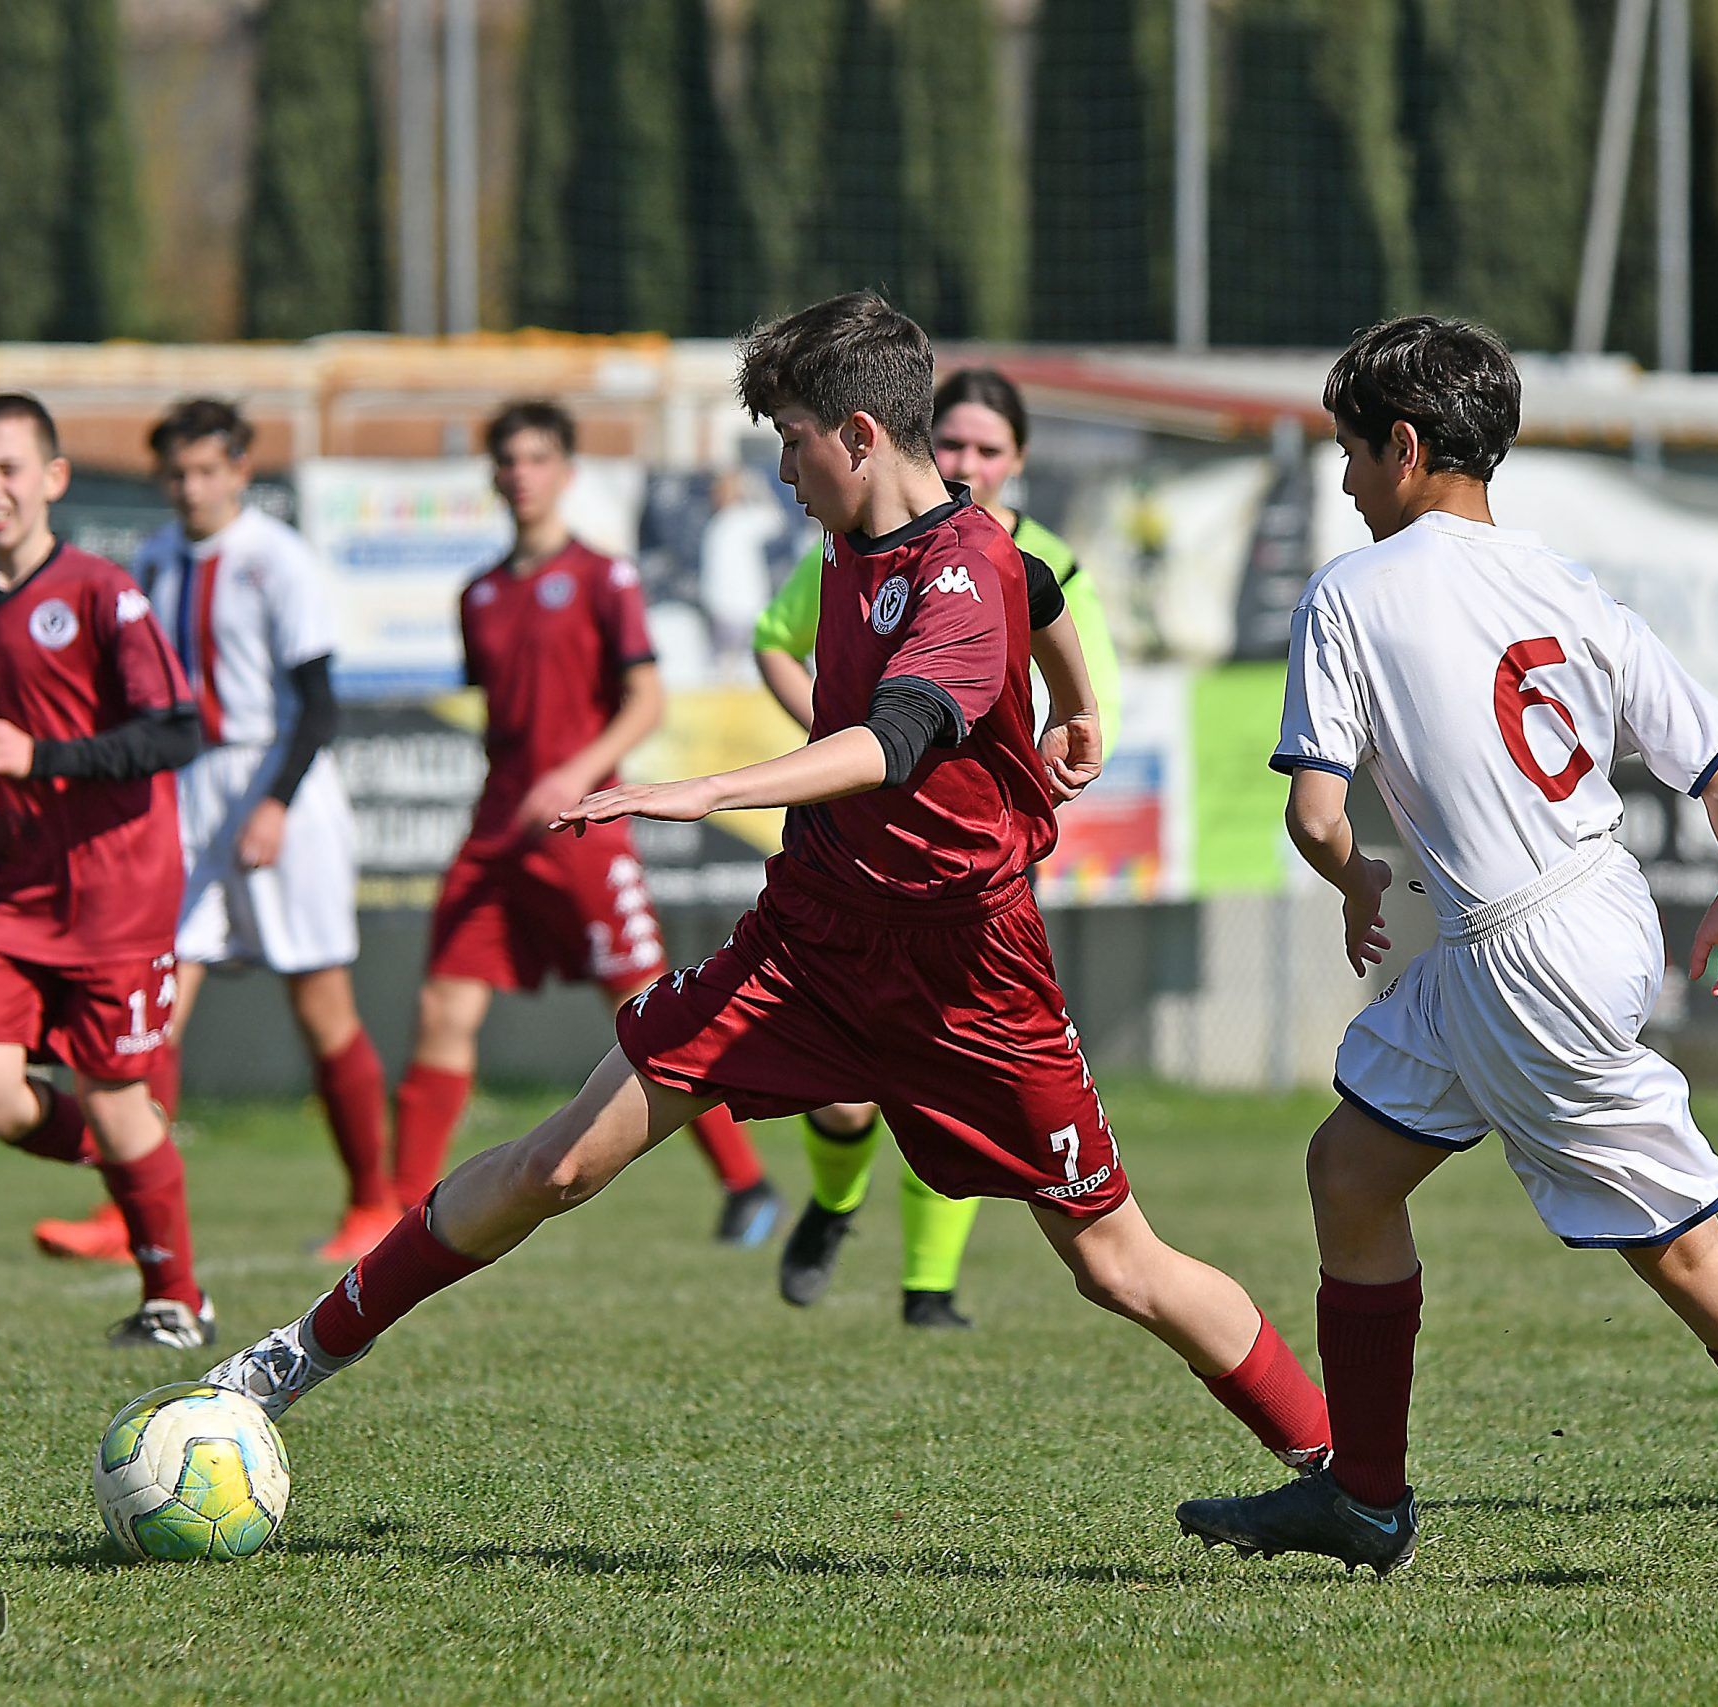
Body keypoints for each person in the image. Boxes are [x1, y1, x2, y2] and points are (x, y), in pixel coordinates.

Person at [196, 293, 1331, 1493]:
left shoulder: (956, 570)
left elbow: (897, 737)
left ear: (854, 432)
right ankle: (289, 1360)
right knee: (562, 1164)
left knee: (1117, 1265)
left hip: (970, 975)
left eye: (790, 439)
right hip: (808, 943)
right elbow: (1043, 599)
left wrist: (701, 789)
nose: (782, 470)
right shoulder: (874, 541)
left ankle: (1339, 1470)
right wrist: (1076, 701)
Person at [1175, 315, 1718, 1582]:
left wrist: (1352, 881)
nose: (1341, 482)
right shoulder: (1565, 586)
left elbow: (1316, 815)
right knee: (1347, 1169)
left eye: (1348, 453)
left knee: (1681, 1255)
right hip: (1585, 910)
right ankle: (1368, 1499)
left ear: (1403, 447)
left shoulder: (1350, 592)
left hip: (1517, 960)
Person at [753, 366, 1125, 1328]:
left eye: (987, 449)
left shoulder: (1022, 555)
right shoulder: (855, 533)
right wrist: (840, 737)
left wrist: (1073, 724)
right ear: (917, 440)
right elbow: (777, 637)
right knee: (842, 1099)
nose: (968, 463)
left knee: (949, 1099)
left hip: (972, 866)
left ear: (1018, 461)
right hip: (853, 854)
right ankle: (834, 1202)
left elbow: (1061, 632)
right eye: (953, 443)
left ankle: (928, 1287)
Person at [389, 398, 781, 1245]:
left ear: (564, 471)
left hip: (585, 829)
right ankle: (398, 1216)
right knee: (442, 1008)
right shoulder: (481, 593)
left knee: (645, 1010)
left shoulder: (606, 577)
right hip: (498, 830)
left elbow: (645, 700)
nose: (522, 474)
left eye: (537, 458)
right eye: (509, 460)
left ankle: (746, 1183)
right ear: (495, 475)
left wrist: (572, 774)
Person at [34, 400, 395, 1267]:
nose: (193, 488)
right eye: (179, 473)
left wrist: (273, 803)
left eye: (209, 470)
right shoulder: (154, 559)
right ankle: (131, 1211)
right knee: (152, 1009)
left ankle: (373, 1202)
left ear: (240, 470)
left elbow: (317, 705)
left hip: (278, 786)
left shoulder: (280, 560)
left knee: (321, 1006)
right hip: (185, 792)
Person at [0, 392, 216, 1350]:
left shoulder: (101, 591)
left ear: (53, 478)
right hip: (13, 885)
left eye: (8, 467)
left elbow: (173, 731)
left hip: (118, 890)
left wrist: (34, 758)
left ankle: (175, 1299)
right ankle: (135, 1154)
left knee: (117, 1092)